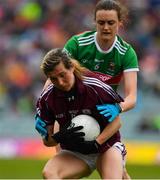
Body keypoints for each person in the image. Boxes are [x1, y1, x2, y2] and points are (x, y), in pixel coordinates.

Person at [36, 0, 139, 178]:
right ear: (94, 22)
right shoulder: (78, 43)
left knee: (115, 171)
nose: (105, 27)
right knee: (56, 170)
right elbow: (55, 75)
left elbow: (132, 97)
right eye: (101, 22)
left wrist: (117, 107)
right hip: (71, 109)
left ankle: (116, 165)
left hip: (100, 109)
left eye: (111, 22)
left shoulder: (126, 53)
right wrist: (42, 108)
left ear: (120, 23)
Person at [35, 48, 126, 179]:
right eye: (54, 79)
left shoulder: (95, 87)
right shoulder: (47, 98)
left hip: (106, 147)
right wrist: (58, 137)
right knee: (49, 173)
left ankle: (121, 171)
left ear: (71, 67)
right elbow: (47, 142)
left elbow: (116, 123)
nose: (60, 82)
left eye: (62, 75)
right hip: (75, 153)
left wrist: (96, 143)